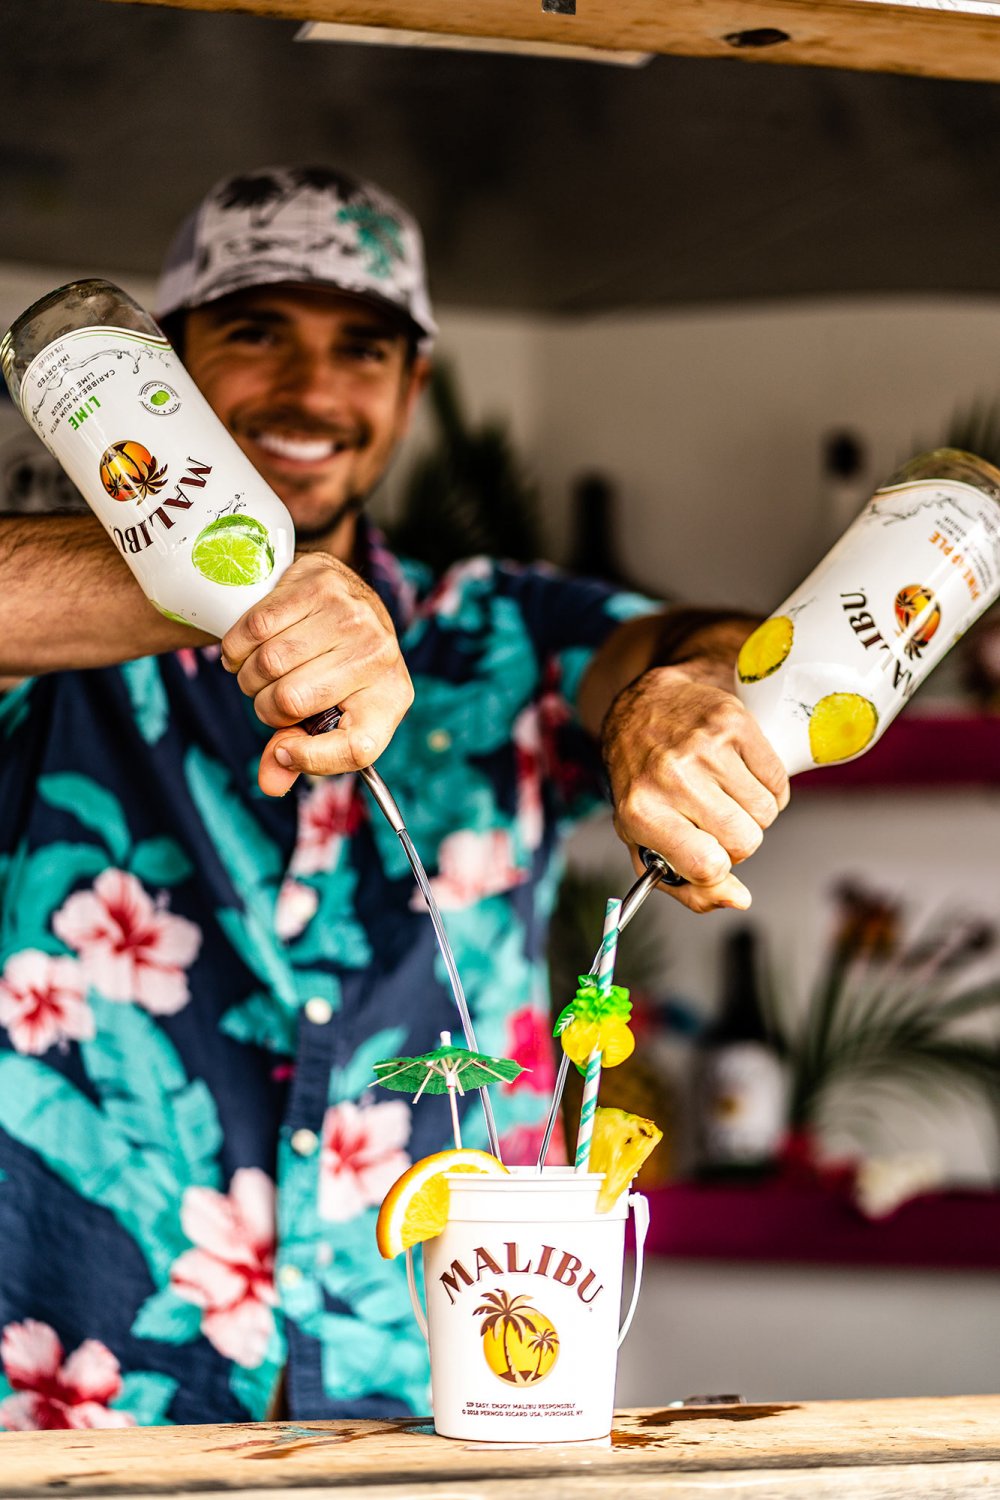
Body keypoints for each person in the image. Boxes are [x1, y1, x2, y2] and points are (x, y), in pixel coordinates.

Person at [0, 166, 788, 1430]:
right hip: (73, 1409)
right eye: (257, 332)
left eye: (361, 349)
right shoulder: (60, 657)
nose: (313, 390)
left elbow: (688, 644)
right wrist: (227, 576)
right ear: (175, 369)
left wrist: (687, 688)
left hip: (438, 1408)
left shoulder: (500, 633)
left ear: (411, 389)